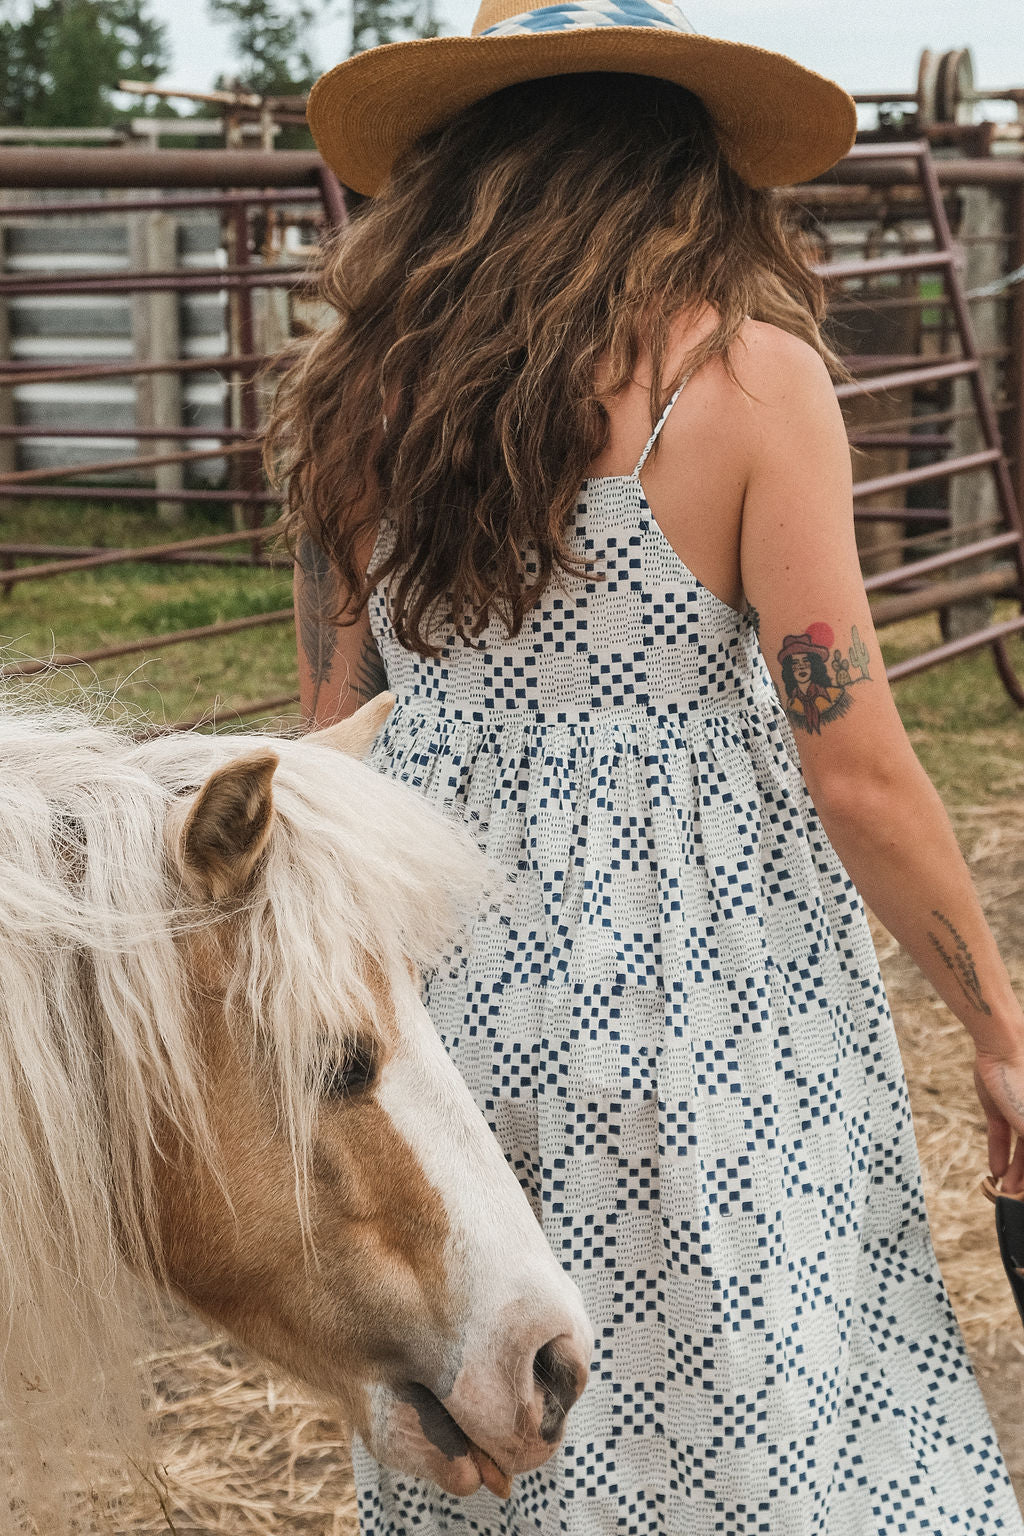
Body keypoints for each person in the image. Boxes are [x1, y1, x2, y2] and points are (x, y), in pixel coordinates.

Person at [269, 3, 1024, 1529]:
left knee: (494, 1394)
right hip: (709, 980)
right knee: (746, 1365)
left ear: (454, 165)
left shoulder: (363, 395)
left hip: (443, 969)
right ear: (688, 162)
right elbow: (859, 769)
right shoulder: (746, 381)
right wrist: (1002, 1028)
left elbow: (329, 731)